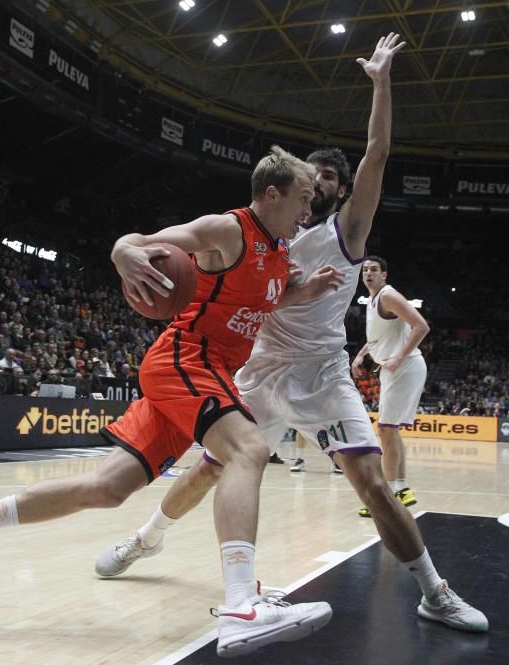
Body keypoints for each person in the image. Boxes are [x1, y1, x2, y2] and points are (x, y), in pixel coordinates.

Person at [95, 34, 487, 634]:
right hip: (260, 368)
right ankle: (145, 540)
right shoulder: (266, 233)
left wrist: (381, 82)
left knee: (372, 483)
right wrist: (132, 248)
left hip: (323, 372)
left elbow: (378, 154)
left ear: (336, 189)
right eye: (313, 175)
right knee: (207, 469)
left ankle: (434, 590)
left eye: (328, 178)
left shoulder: (346, 234)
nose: (319, 183)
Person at [0, 147, 345, 657]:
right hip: (186, 358)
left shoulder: (278, 253)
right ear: (271, 194)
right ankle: (240, 605)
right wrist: (123, 250)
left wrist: (303, 292)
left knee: (107, 488)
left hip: (202, 371)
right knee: (248, 450)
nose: (307, 210)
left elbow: (259, 300)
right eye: (300, 199)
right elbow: (143, 242)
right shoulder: (228, 229)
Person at [350, 255, 430, 516]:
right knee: (389, 429)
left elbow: (421, 326)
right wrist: (362, 354)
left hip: (405, 368)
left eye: (373, 269)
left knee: (386, 428)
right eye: (365, 270)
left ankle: (390, 493)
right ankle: (400, 490)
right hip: (392, 369)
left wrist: (398, 356)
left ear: (384, 274)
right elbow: (378, 337)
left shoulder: (388, 295)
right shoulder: (374, 300)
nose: (368, 273)